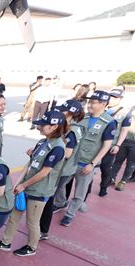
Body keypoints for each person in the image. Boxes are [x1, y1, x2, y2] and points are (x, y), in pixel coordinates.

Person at [0, 110, 67, 256]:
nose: (40, 127)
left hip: (39, 191)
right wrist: (19, 182)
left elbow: (44, 172)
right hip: (25, 187)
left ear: (54, 127)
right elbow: (31, 163)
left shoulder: (58, 147)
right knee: (14, 216)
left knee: (32, 221)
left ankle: (31, 247)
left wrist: (24, 185)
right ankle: (5, 242)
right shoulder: (43, 141)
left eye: (43, 125)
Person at [59, 91, 115, 227]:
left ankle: (69, 214)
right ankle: (61, 203)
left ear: (103, 104)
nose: (89, 105)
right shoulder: (83, 117)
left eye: (93, 102)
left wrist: (92, 164)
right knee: (59, 185)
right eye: (89, 102)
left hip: (87, 164)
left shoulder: (109, 122)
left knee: (80, 192)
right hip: (72, 160)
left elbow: (106, 146)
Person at [39, 100, 83, 238]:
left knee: (48, 199)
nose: (60, 112)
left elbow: (68, 153)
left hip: (62, 170)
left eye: (63, 110)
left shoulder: (71, 130)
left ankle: (43, 230)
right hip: (62, 169)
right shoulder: (69, 127)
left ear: (70, 113)